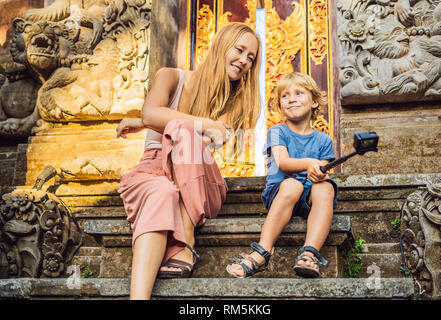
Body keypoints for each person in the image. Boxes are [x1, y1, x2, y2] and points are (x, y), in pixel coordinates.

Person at [116, 22, 261, 299]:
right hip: (153, 172)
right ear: (221, 47)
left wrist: (160, 122)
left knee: (181, 130)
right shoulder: (170, 77)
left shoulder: (236, 103)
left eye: (251, 58)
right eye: (240, 50)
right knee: (162, 192)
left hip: (199, 181)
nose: (244, 61)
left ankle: (186, 238)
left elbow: (207, 141)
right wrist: (200, 123)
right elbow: (150, 114)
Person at [226, 72, 337, 278]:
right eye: (285, 96)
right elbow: (284, 163)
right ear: (279, 106)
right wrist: (309, 163)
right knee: (292, 185)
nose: (292, 99)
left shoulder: (323, 139)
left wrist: (320, 173)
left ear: (314, 102)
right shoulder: (277, 131)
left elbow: (322, 168)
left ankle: (309, 252)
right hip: (281, 194)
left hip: (308, 198)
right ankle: (263, 251)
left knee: (326, 186)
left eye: (299, 93)